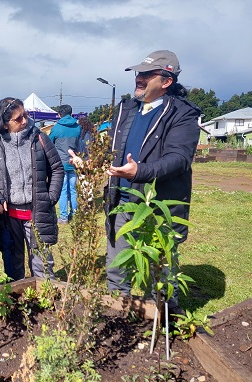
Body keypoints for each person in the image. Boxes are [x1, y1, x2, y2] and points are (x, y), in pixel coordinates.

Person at [104, 50, 201, 312]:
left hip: (157, 209)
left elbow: (179, 158)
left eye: (147, 74)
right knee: (116, 268)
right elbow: (113, 149)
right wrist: (89, 163)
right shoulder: (126, 108)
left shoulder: (182, 114)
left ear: (167, 81)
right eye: (139, 73)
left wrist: (140, 172)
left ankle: (161, 322)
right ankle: (119, 317)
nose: (140, 78)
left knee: (159, 275)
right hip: (121, 204)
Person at [0, 97, 64, 281]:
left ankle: (46, 299)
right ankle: (18, 302)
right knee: (13, 264)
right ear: (4, 123)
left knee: (42, 263)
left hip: (37, 213)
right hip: (8, 218)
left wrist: (50, 197)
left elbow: (57, 168)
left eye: (25, 115)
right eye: (18, 118)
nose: (25, 120)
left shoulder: (39, 138)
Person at [48, 104, 82, 223]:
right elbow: (79, 145)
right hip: (73, 163)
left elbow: (49, 144)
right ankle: (75, 214)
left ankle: (63, 217)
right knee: (73, 190)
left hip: (60, 164)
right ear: (71, 114)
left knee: (62, 190)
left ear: (59, 115)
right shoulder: (78, 127)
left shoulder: (56, 128)